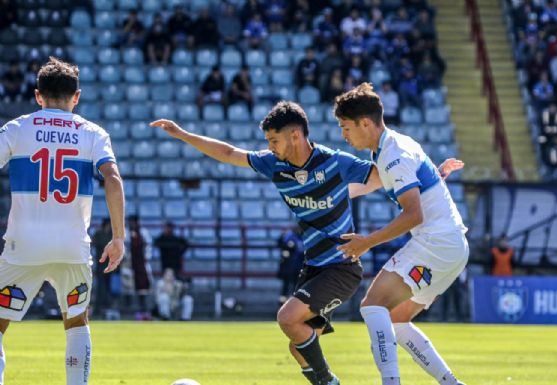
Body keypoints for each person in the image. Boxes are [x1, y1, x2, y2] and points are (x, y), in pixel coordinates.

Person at [150, 102, 460, 385]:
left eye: (274, 141)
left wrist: (434, 175)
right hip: (313, 268)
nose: (270, 148)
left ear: (295, 135)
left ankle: (331, 383)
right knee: (299, 345)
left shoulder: (335, 162)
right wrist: (182, 135)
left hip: (341, 267)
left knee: (288, 317)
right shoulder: (275, 164)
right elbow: (230, 153)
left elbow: (390, 176)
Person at [0, 57, 125, 385]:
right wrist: (118, 237)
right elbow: (112, 178)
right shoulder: (93, 134)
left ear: (38, 95)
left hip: (23, 246)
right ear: (76, 96)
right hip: (72, 247)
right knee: (77, 321)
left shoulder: (17, 128)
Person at [334, 83, 468, 385]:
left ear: (365, 123)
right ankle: (451, 383)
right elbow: (374, 184)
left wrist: (366, 242)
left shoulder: (393, 155)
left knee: (372, 306)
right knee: (395, 319)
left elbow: (413, 215)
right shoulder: (393, 147)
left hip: (436, 243)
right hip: (453, 248)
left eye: (346, 128)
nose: (344, 136)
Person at [128, 215, 152, 320]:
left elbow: (148, 246)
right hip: (130, 265)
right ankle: (131, 311)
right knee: (129, 287)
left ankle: (144, 309)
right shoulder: (125, 233)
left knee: (143, 286)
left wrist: (146, 257)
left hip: (141, 265)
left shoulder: (143, 233)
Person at [277, 226, 305, 305]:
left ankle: (293, 304)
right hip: (288, 268)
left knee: (296, 287)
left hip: (298, 268)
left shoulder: (302, 239)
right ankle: (282, 304)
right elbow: (280, 245)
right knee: (286, 286)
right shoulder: (289, 237)